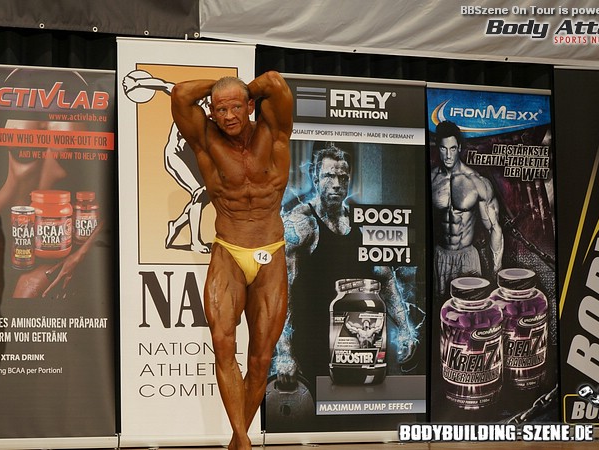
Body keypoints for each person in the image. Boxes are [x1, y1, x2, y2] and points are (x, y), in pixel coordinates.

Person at [171, 71, 293, 450]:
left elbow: (275, 82)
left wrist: (239, 90)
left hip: (270, 253)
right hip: (228, 250)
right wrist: (219, 90)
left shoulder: (273, 132)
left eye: (235, 107)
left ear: (250, 106)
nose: (227, 116)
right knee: (223, 344)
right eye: (219, 110)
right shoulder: (206, 138)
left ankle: (236, 441)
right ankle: (242, 440)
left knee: (260, 359)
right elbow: (180, 93)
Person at [280, 144, 417, 391]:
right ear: (315, 178)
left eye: (343, 178)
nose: (337, 184)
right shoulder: (301, 223)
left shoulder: (362, 224)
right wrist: (284, 353)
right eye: (329, 176)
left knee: (362, 406)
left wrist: (405, 330)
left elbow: (385, 279)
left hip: (358, 348)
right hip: (312, 345)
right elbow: (280, 289)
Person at [122, 71, 212, 253]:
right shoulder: (191, 105)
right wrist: (138, 83)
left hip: (192, 158)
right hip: (175, 156)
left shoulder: (219, 117)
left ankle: (175, 225)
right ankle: (195, 241)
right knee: (199, 192)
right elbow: (165, 85)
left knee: (206, 196)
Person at [431, 120, 503, 300]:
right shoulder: (431, 180)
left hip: (467, 258)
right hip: (440, 256)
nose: (448, 155)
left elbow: (494, 228)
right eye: (443, 149)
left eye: (453, 148)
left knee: (470, 309)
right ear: (438, 148)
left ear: (460, 148)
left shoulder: (476, 182)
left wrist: (497, 270)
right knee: (440, 308)